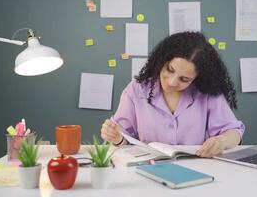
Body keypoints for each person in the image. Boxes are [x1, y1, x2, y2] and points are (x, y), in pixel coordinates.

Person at [101, 31, 245, 157]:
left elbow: (234, 132)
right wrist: (116, 138)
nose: (171, 82)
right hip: (145, 170)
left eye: (184, 79)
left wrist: (222, 141)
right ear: (162, 60)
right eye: (169, 69)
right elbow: (124, 140)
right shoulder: (136, 90)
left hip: (196, 169)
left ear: (197, 78)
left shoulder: (207, 94)